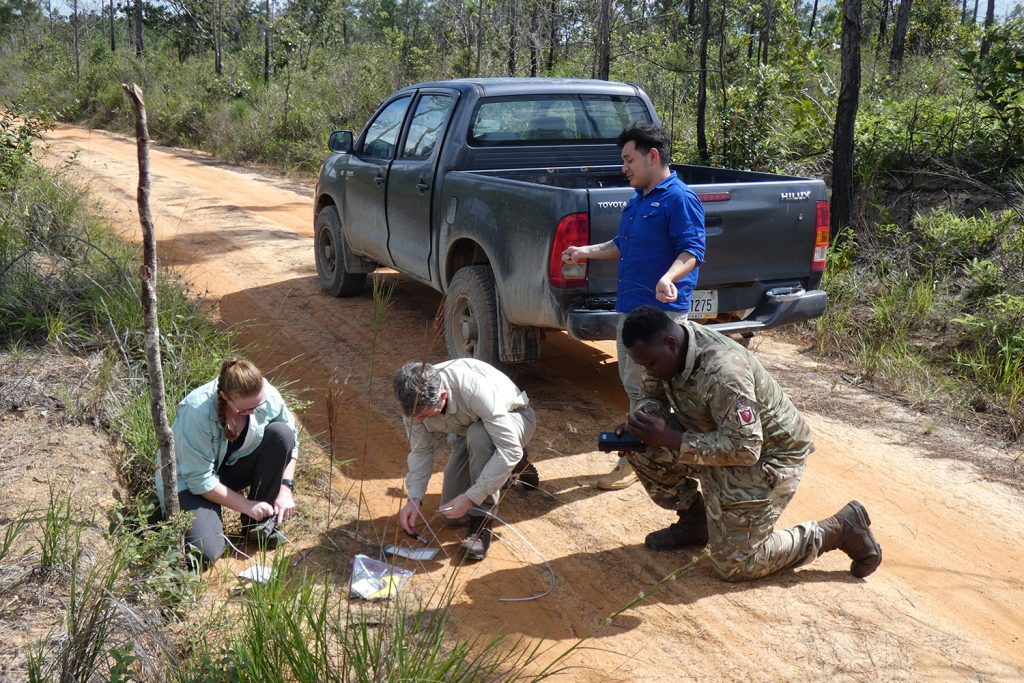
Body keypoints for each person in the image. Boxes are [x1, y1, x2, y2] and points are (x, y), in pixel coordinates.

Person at [617, 306, 882, 582]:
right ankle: (696, 524)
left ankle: (840, 529)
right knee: (642, 447)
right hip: (717, 438)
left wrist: (673, 439)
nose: (649, 371)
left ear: (670, 343)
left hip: (770, 455)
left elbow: (746, 447)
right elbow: (654, 396)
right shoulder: (664, 353)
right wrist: (642, 421)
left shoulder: (723, 371)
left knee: (736, 565)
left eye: (651, 364)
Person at [562, 122, 706, 490]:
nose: (623, 167)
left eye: (629, 159)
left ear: (652, 156)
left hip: (660, 315)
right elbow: (620, 244)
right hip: (631, 311)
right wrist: (584, 252)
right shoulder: (639, 199)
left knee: (654, 389)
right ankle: (644, 454)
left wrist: (669, 278)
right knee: (632, 382)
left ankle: (646, 459)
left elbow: (692, 251)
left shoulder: (679, 199)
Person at [156, 359, 299, 568]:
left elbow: (292, 439)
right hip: (188, 485)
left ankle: (257, 526)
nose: (254, 411)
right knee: (205, 553)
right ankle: (211, 518)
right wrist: (247, 505)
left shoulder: (265, 394)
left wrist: (286, 488)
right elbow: (199, 481)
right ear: (225, 397)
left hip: (225, 471)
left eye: (258, 405)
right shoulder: (196, 411)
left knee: (281, 435)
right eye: (245, 410)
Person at [394, 359, 536, 561]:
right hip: (466, 432)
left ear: (442, 397)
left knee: (481, 437)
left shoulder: (471, 387)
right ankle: (503, 467)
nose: (419, 422)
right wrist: (414, 498)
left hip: (514, 420)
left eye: (425, 416)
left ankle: (482, 521)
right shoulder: (414, 404)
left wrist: (471, 498)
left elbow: (510, 449)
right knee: (453, 516)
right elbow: (421, 451)